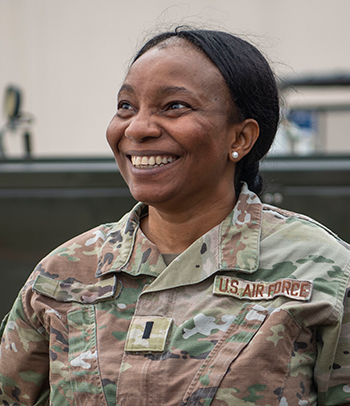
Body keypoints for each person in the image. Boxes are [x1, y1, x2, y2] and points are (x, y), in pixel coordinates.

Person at [0, 28, 349, 406]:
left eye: (174, 106)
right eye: (126, 106)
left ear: (240, 139)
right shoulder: (64, 273)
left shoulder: (322, 274)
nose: (137, 128)